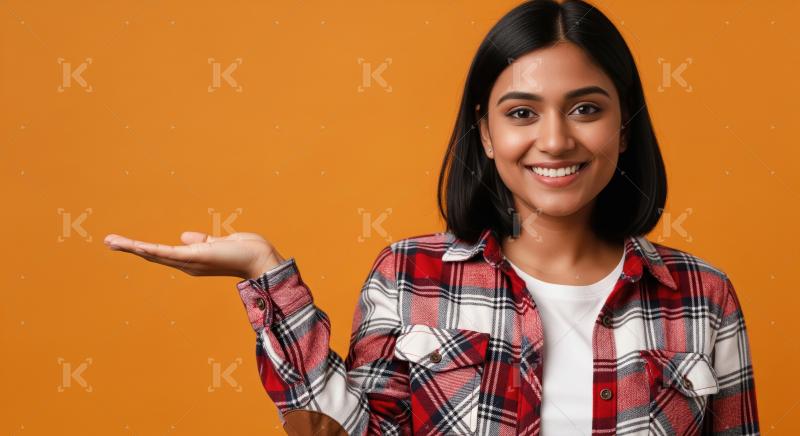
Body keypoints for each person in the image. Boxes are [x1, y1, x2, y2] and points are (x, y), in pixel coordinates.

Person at [104, 0, 759, 434]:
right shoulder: (409, 275)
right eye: (522, 112)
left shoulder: (704, 295)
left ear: (624, 126)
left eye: (586, 109)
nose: (556, 140)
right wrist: (266, 274)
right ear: (484, 132)